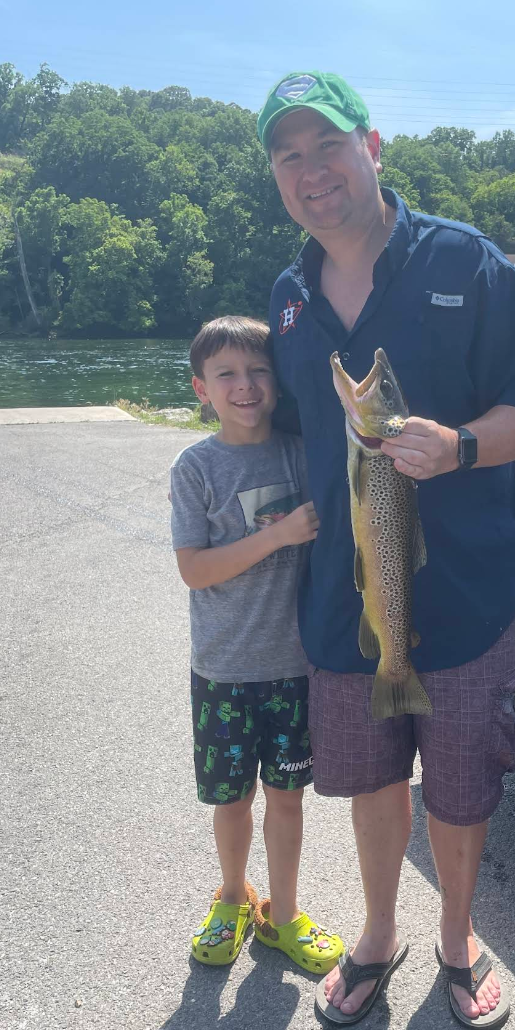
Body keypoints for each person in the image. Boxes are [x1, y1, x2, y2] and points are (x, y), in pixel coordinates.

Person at [257, 74, 515, 1029]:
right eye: (289, 155)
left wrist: (462, 445)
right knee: (374, 776)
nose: (312, 172)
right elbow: (284, 426)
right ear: (275, 174)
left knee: (465, 784)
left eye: (330, 146)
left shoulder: (468, 263)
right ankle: (382, 931)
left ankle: (458, 935)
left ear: (375, 146)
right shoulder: (288, 297)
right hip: (344, 601)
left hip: (467, 595)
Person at [169, 315, 345, 974]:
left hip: (294, 669)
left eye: (258, 370)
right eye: (227, 375)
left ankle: (285, 912)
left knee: (288, 798)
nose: (245, 386)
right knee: (231, 800)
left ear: (278, 381)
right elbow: (194, 568)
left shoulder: (301, 452)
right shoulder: (196, 467)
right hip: (222, 672)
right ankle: (234, 895)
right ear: (201, 390)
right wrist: (277, 534)